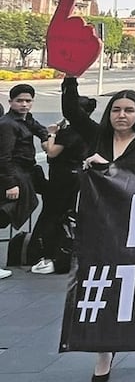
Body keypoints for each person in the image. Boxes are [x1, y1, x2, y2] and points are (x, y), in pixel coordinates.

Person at [63, 77, 135, 382]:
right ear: (109, 114)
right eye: (116, 109)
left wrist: (108, 167)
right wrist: (70, 77)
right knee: (102, 286)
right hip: (100, 223)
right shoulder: (96, 137)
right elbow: (72, 111)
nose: (122, 115)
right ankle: (104, 352)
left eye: (129, 110)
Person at [29, 95, 98, 275]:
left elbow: (51, 152)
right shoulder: (91, 130)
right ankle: (63, 248)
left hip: (61, 176)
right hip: (77, 174)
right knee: (67, 213)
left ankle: (44, 250)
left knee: (52, 213)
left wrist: (51, 133)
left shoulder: (69, 132)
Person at [0, 85, 49, 246]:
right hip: (15, 173)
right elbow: (4, 157)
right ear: (10, 102)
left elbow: (40, 129)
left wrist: (45, 138)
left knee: (52, 195)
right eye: (19, 101)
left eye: (28, 101)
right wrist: (11, 184)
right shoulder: (7, 124)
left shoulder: (26, 118)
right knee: (6, 214)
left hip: (27, 171)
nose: (24, 104)